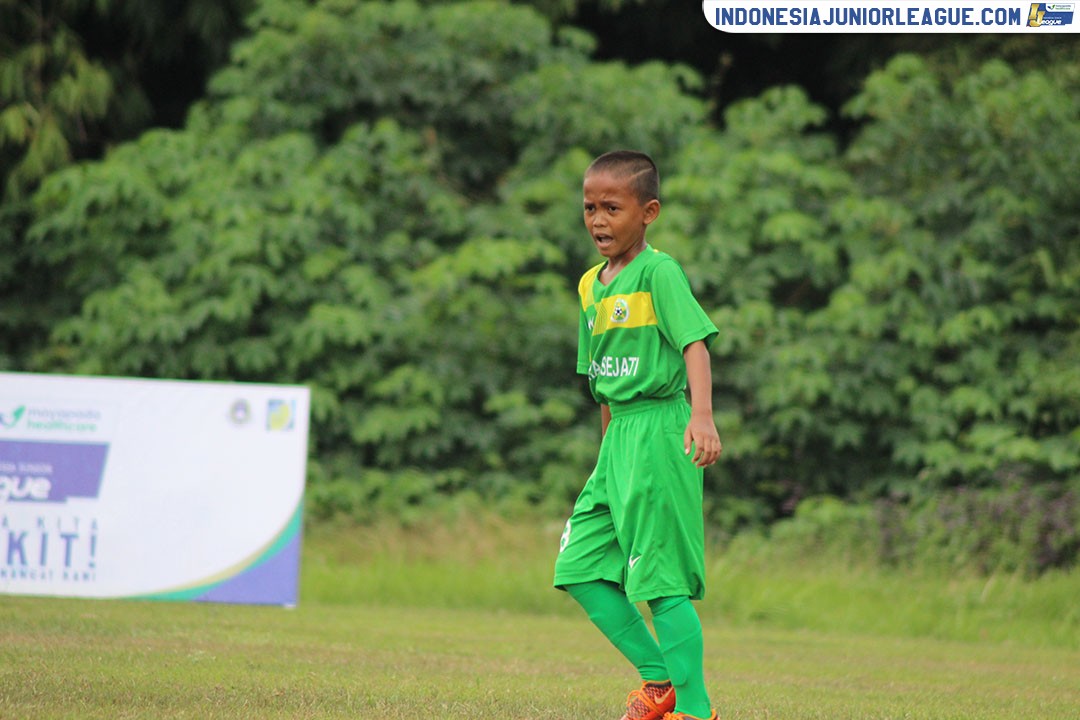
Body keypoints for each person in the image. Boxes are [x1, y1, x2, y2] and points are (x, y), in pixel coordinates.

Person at [554, 150, 722, 720]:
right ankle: (659, 679)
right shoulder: (588, 288)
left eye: (612, 208)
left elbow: (694, 343)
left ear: (648, 212)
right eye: (589, 208)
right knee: (578, 565)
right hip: (618, 442)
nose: (598, 220)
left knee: (659, 577)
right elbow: (601, 384)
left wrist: (702, 416)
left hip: (660, 429)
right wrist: (605, 460)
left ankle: (695, 712)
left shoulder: (660, 273)